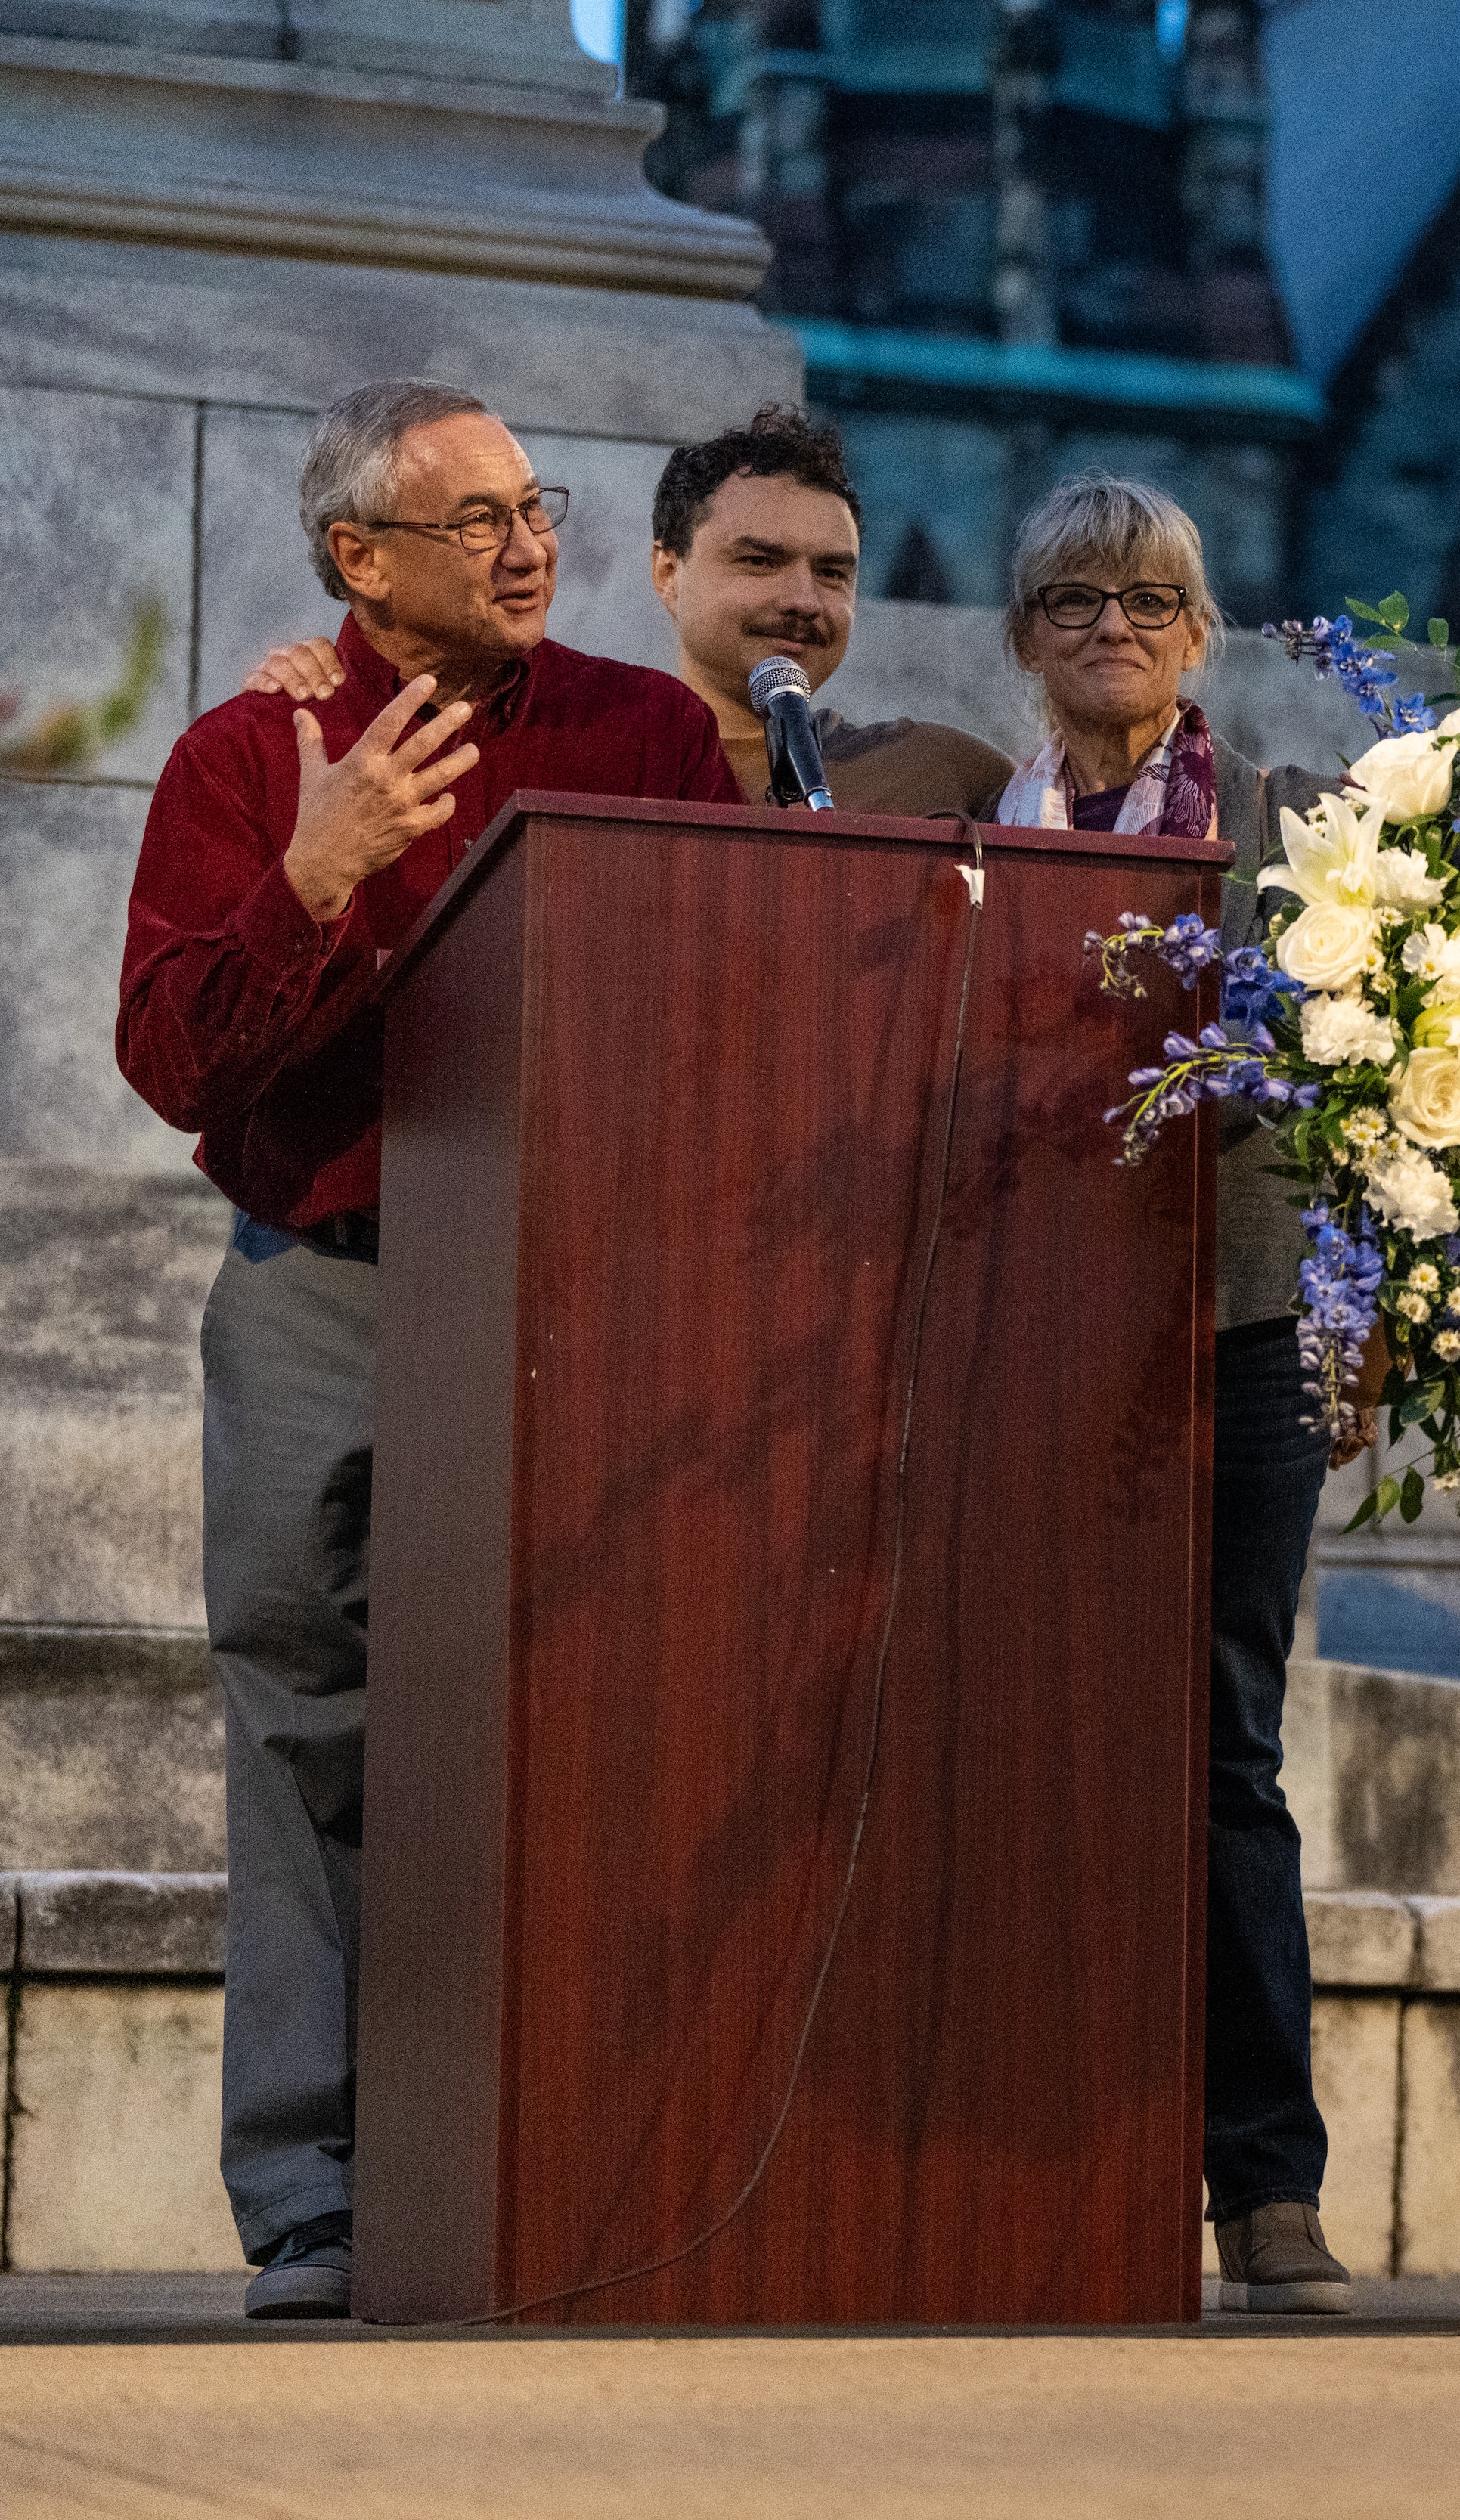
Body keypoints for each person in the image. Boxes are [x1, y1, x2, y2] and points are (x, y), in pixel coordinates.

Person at [117, 378, 742, 2319]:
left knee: (567, 1709)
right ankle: (315, 2194)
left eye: (534, 504)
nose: (528, 540)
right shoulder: (256, 750)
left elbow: (730, 995)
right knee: (304, 1707)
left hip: (574, 1290)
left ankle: (566, 2162)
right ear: (355, 559)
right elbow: (171, 1060)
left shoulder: (645, 731)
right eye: (474, 518)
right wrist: (314, 873)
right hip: (331, 1278)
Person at [989, 474, 1349, 2313]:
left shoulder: (1300, 840)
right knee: (1025, 1736)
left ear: (1200, 634)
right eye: (1071, 600)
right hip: (1025, 1348)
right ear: (1022, 636)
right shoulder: (972, 831)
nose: (1111, 628)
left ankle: (1262, 2186)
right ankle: (1026, 2166)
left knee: (1222, 1749)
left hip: (1241, 1338)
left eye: (1146, 601)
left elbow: (1391, 1092)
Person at [241, 406, 1015, 822]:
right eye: (759, 560)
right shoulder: (600, 751)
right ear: (665, 571)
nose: (802, 599)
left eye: (833, 572)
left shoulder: (944, 773)